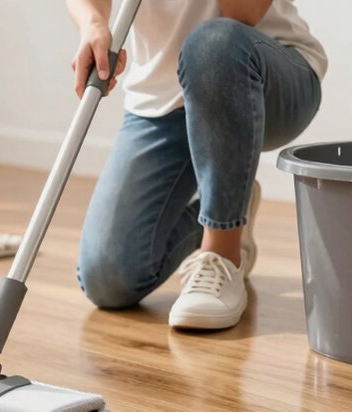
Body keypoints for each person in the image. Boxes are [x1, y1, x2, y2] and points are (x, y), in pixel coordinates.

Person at [69, 0, 326, 329]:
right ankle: (233, 202)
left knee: (212, 44)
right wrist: (93, 23)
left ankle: (222, 252)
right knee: (108, 278)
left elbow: (245, 13)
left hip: (264, 73)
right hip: (160, 100)